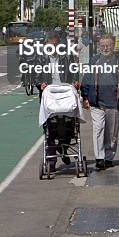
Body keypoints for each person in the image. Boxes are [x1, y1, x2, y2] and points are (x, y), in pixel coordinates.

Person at [81, 34, 119, 170]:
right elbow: (87, 78)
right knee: (98, 129)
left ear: (113, 46)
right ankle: (99, 158)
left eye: (108, 45)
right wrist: (85, 96)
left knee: (111, 134)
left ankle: (109, 157)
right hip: (97, 103)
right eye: (103, 46)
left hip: (114, 102)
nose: (105, 48)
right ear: (99, 46)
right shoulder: (94, 60)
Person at [35, 31, 78, 170]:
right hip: (49, 96)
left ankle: (63, 148)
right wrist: (39, 84)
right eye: (50, 44)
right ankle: (52, 161)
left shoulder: (66, 56)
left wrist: (75, 81)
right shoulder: (40, 58)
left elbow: (74, 71)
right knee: (50, 130)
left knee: (68, 124)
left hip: (65, 94)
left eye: (55, 44)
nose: (53, 47)